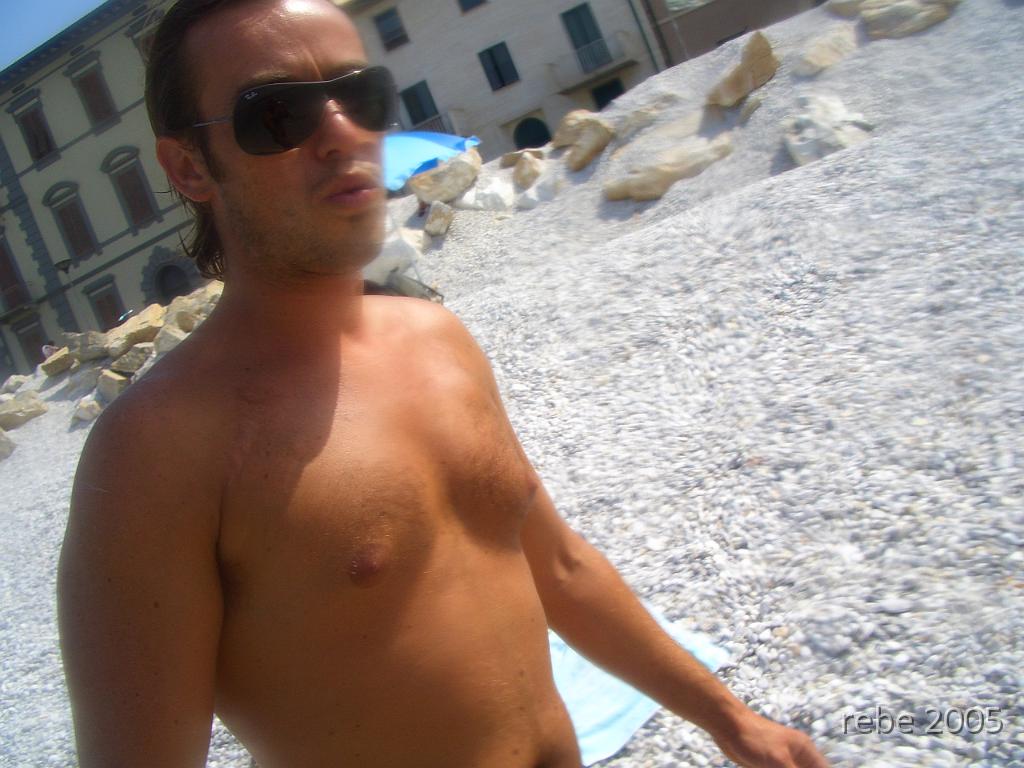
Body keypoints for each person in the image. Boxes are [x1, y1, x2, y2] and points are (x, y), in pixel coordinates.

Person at [56, 1, 830, 767]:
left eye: (360, 96)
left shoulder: (436, 338)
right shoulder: (157, 451)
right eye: (277, 114)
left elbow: (559, 567)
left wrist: (729, 719)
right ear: (190, 166)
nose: (342, 132)